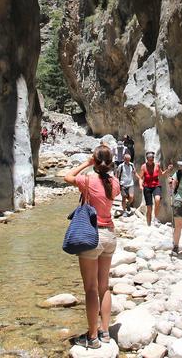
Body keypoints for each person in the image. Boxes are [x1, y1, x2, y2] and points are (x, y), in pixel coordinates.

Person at [63, 144, 121, 349]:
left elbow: (67, 176)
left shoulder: (87, 180)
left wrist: (86, 163)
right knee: (104, 287)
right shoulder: (114, 182)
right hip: (109, 237)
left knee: (90, 288)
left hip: (91, 236)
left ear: (95, 162)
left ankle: (93, 337)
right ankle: (105, 332)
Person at [137, 151, 171, 226]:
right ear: (147, 159)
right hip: (147, 187)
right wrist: (140, 185)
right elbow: (141, 177)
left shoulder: (157, 166)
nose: (151, 160)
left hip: (156, 186)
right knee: (149, 208)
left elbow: (161, 174)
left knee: (157, 199)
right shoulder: (143, 167)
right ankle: (148, 224)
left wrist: (167, 170)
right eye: (149, 159)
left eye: (152, 159)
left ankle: (155, 218)